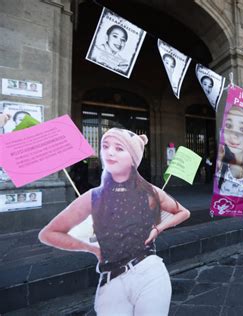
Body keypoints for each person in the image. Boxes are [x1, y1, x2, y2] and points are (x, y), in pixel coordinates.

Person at [39, 128, 190, 315]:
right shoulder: (92, 197)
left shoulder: (150, 192)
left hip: (149, 272)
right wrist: (91, 248)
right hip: (111, 282)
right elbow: (48, 234)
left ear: (133, 159)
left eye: (119, 148)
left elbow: (182, 212)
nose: (109, 152)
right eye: (105, 146)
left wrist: (157, 229)